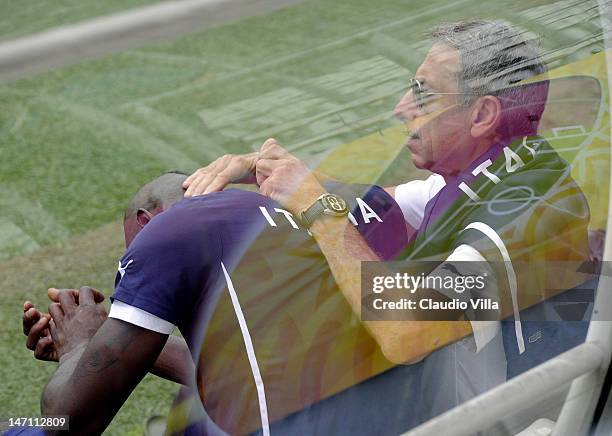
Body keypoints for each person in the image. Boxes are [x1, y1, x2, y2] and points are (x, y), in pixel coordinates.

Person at [182, 19, 591, 418]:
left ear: (482, 115)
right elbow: (374, 204)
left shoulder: (518, 215)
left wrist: (317, 208)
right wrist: (277, 170)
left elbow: (407, 333)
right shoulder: (498, 171)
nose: (402, 108)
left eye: (423, 93)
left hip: (503, 422)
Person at [26, 171, 418, 435]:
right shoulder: (298, 208)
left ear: (146, 222)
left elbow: (69, 420)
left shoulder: (167, 232)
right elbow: (241, 367)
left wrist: (76, 348)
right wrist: (106, 333)